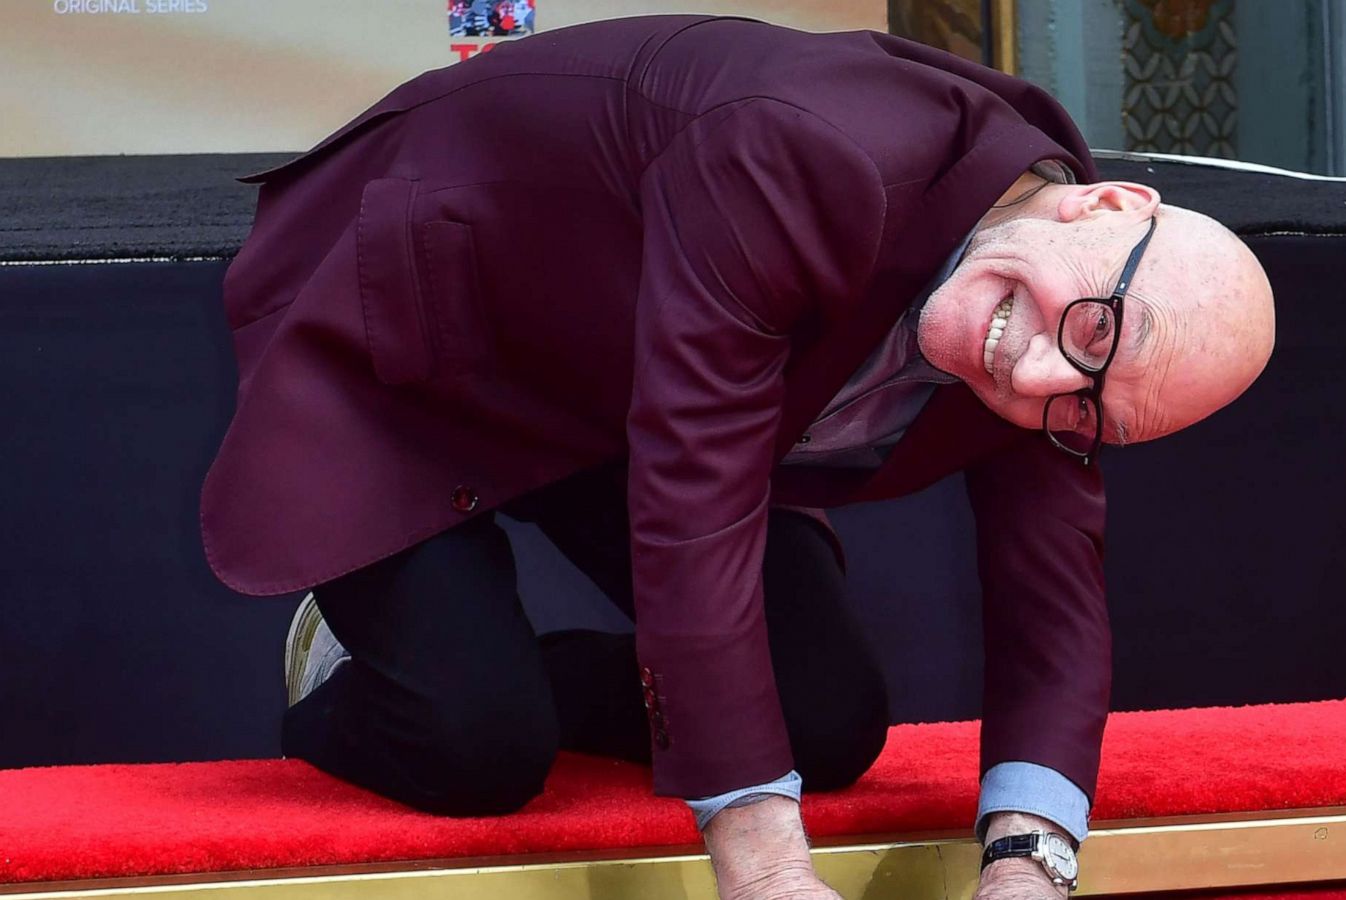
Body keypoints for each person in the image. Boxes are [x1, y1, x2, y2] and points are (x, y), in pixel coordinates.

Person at [203, 15, 1274, 900]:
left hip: (635, 381)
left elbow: (1054, 594)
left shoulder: (1070, 318)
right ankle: (359, 661)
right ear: (1107, 201)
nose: (1037, 377)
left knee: (825, 720)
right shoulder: (813, 146)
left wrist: (1027, 871)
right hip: (436, 320)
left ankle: (509, 670)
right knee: (476, 746)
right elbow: (692, 493)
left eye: (1088, 412)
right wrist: (766, 873)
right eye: (1088, 335)